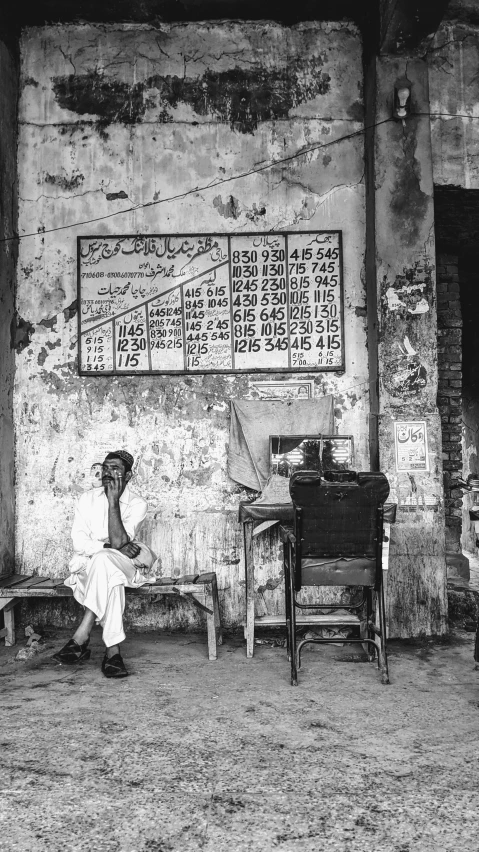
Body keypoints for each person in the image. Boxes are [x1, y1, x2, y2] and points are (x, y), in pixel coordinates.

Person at [52, 450, 155, 678]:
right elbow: (80, 543)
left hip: (125, 563)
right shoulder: (86, 499)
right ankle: (113, 652)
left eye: (116, 469)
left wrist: (113, 502)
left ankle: (82, 634)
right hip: (91, 566)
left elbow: (120, 542)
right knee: (110, 575)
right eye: (105, 468)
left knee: (107, 563)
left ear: (128, 476)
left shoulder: (138, 503)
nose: (108, 473)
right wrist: (107, 548)